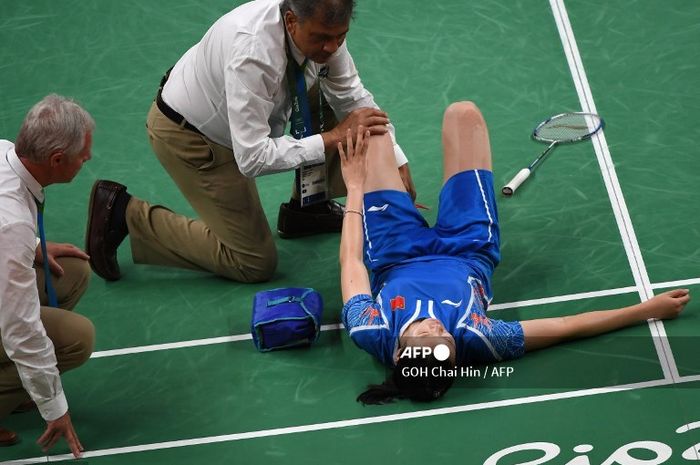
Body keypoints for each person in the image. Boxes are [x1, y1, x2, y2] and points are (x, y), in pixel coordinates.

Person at [338, 102, 691, 404]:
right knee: (463, 113)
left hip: (394, 250)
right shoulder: (480, 339)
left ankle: (390, 192)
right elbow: (566, 326)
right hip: (467, 248)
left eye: (426, 335)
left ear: (400, 353)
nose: (438, 328)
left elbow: (351, 260)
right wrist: (645, 310)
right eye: (445, 340)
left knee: (369, 127)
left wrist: (354, 185)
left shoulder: (370, 328)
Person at [85, 0, 415, 283]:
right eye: (321, 38)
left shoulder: (321, 30)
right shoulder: (253, 53)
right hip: (196, 137)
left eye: (340, 37)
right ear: (291, 20)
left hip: (246, 115)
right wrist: (331, 138)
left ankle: (308, 208)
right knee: (252, 262)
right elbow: (253, 158)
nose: (331, 48)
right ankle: (125, 214)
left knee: (341, 107)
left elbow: (353, 98)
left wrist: (396, 159)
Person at [0, 95, 95, 456]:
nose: (87, 159)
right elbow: (20, 329)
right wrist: (54, 407)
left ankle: (18, 387)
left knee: (70, 273)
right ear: (57, 160)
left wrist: (36, 245)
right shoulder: (10, 223)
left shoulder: (4, 153)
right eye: (83, 155)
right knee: (76, 338)